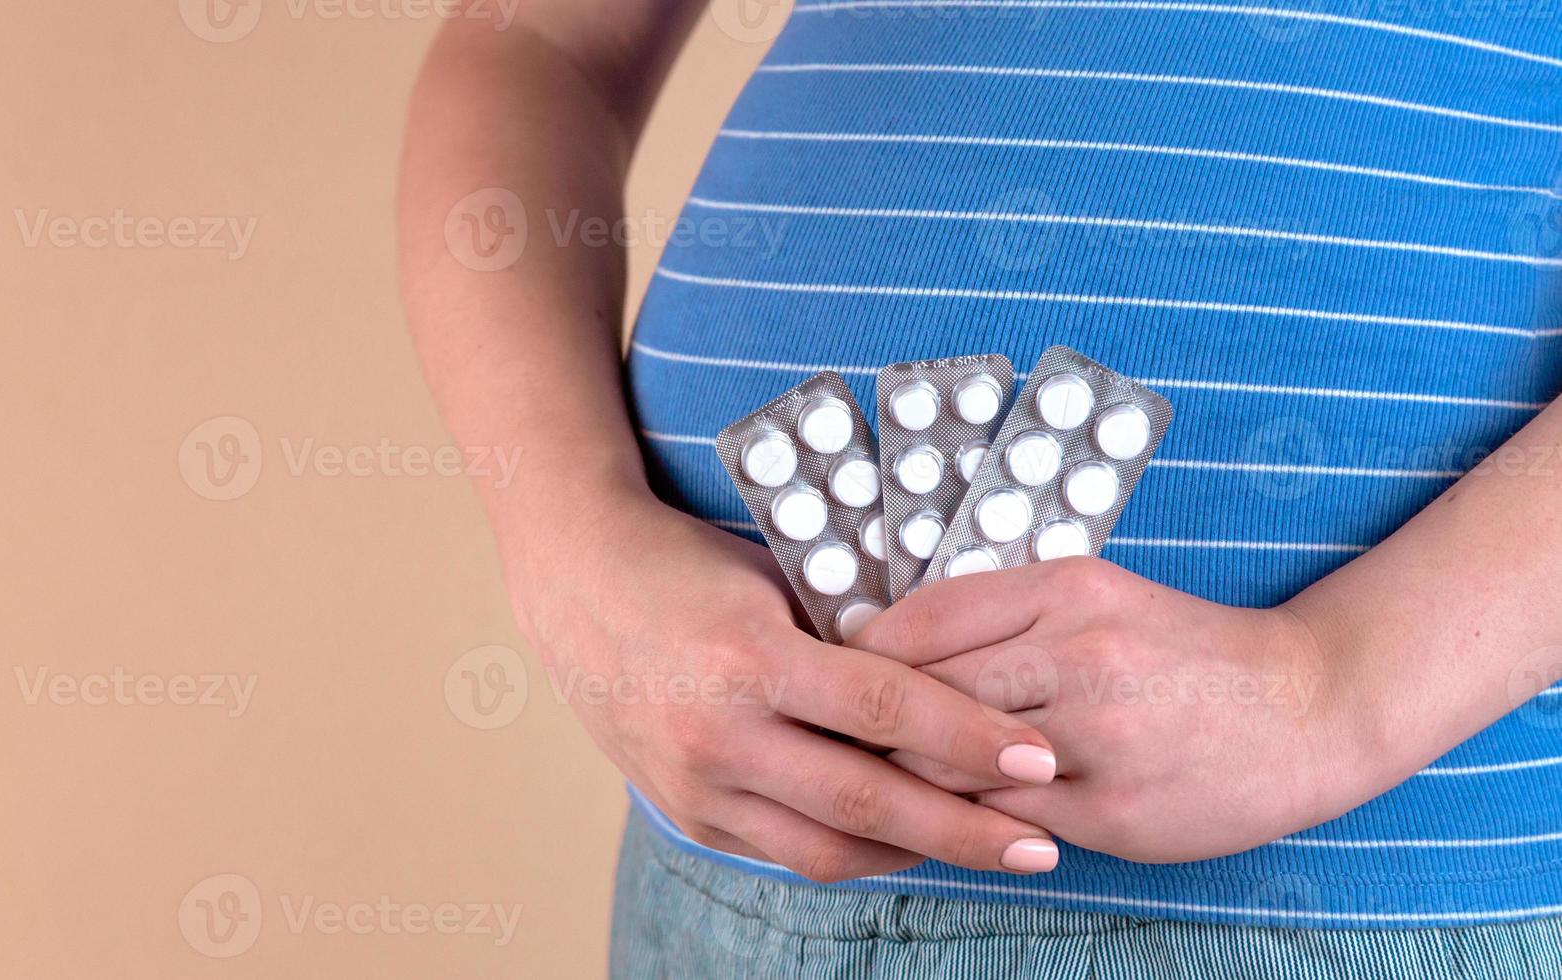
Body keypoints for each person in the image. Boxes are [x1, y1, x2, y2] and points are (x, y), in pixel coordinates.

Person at [398, 1, 1562, 974]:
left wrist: (1333, 692)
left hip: (1370, 898)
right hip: (729, 880)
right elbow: (536, 45)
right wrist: (566, 544)